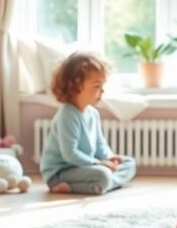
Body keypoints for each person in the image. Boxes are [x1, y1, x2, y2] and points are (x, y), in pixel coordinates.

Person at [39, 52, 136, 195]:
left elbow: (99, 144)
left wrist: (109, 157)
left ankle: (104, 184)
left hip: (85, 167)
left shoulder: (92, 113)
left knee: (129, 163)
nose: (102, 91)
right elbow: (70, 155)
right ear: (76, 85)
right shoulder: (67, 114)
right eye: (97, 86)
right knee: (102, 174)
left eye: (103, 85)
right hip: (62, 172)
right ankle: (100, 183)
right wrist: (98, 163)